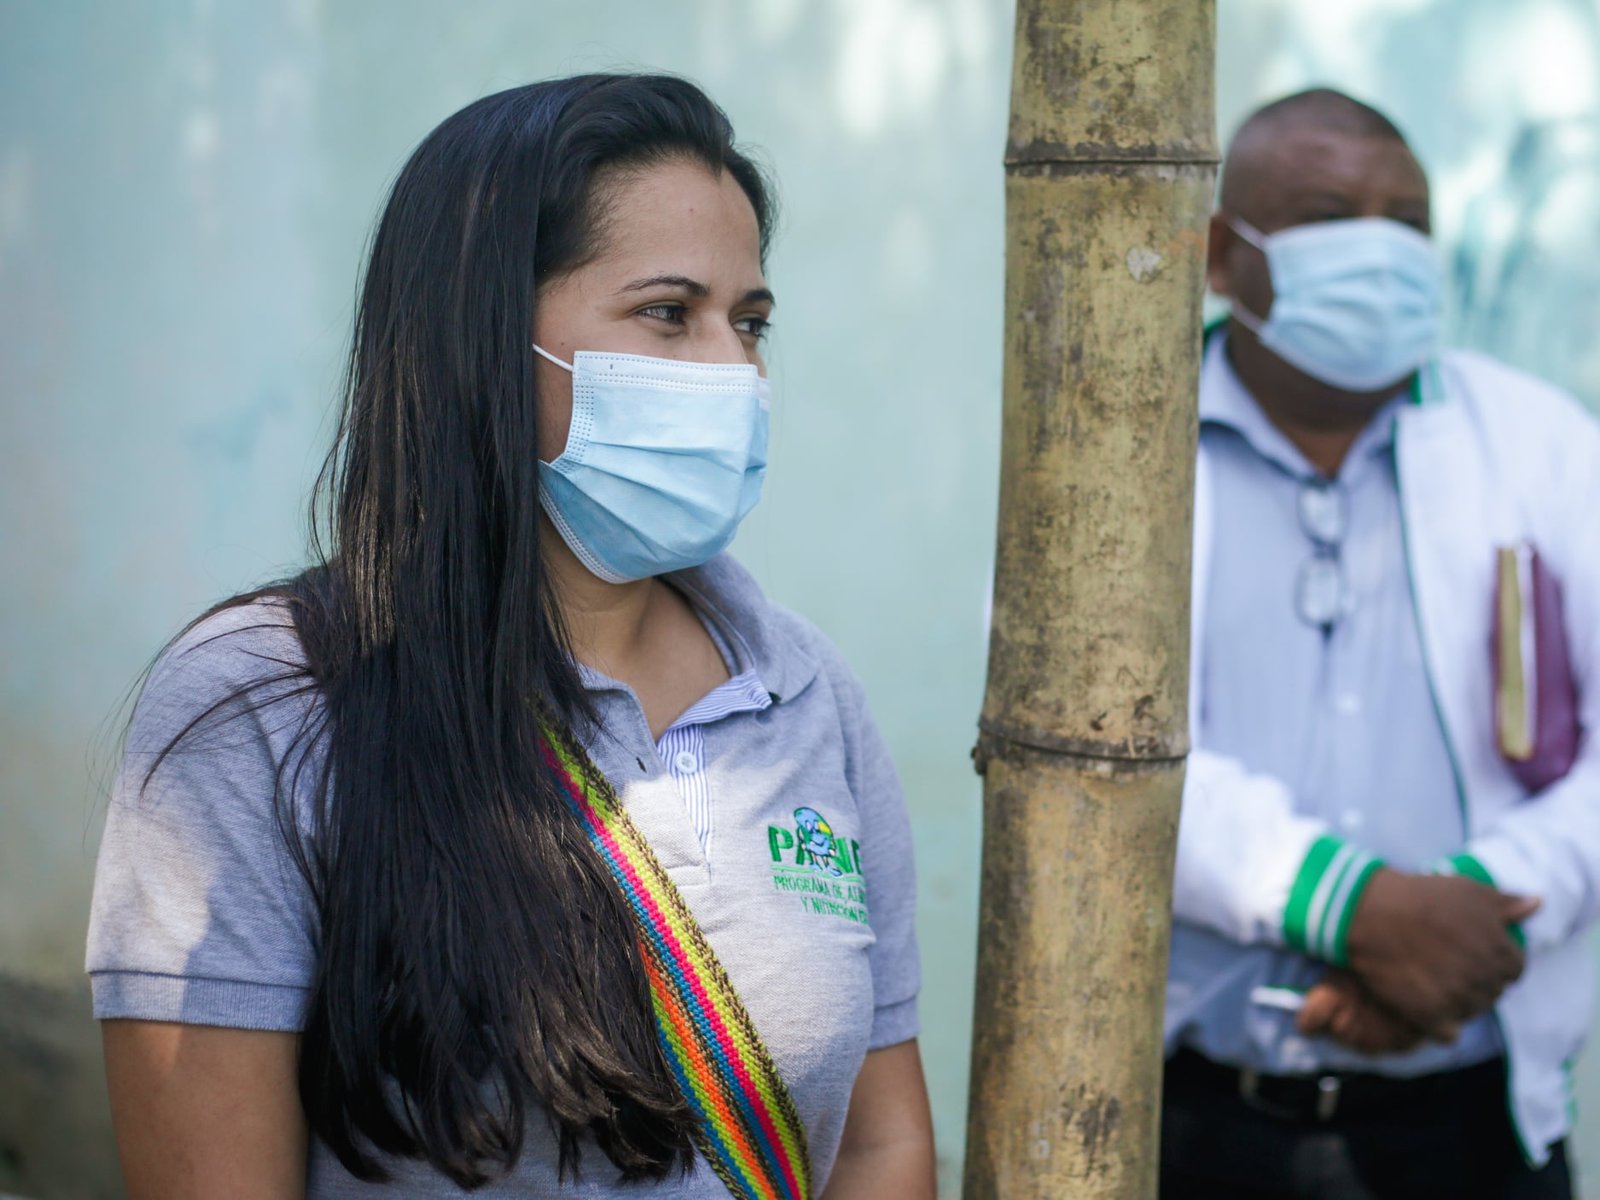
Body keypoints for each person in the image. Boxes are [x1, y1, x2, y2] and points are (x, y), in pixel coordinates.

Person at [86, 74, 935, 1199]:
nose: (735, 371)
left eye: (751, 321)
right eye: (668, 313)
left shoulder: (803, 691)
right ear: (482, 336)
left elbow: (880, 1144)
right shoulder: (263, 703)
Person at [1164, 88, 1600, 1200]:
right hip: (1189, 1118)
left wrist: (1461, 914)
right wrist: (1345, 902)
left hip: (1476, 1120)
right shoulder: (1121, 455)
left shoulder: (1542, 445)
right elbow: (1082, 753)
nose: (1381, 247)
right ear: (1222, 255)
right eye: (1328, 213)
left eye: (1406, 222)